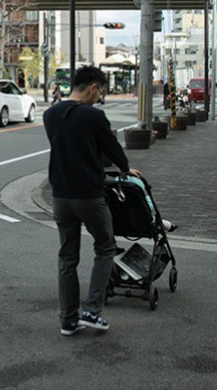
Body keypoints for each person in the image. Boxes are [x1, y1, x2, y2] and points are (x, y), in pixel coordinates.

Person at [43, 65, 137, 337]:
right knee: (105, 247)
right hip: (88, 195)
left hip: (60, 195)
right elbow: (112, 147)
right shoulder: (94, 116)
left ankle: (68, 320)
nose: (100, 98)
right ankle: (92, 311)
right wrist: (125, 167)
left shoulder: (51, 114)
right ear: (93, 87)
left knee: (67, 257)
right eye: (101, 92)